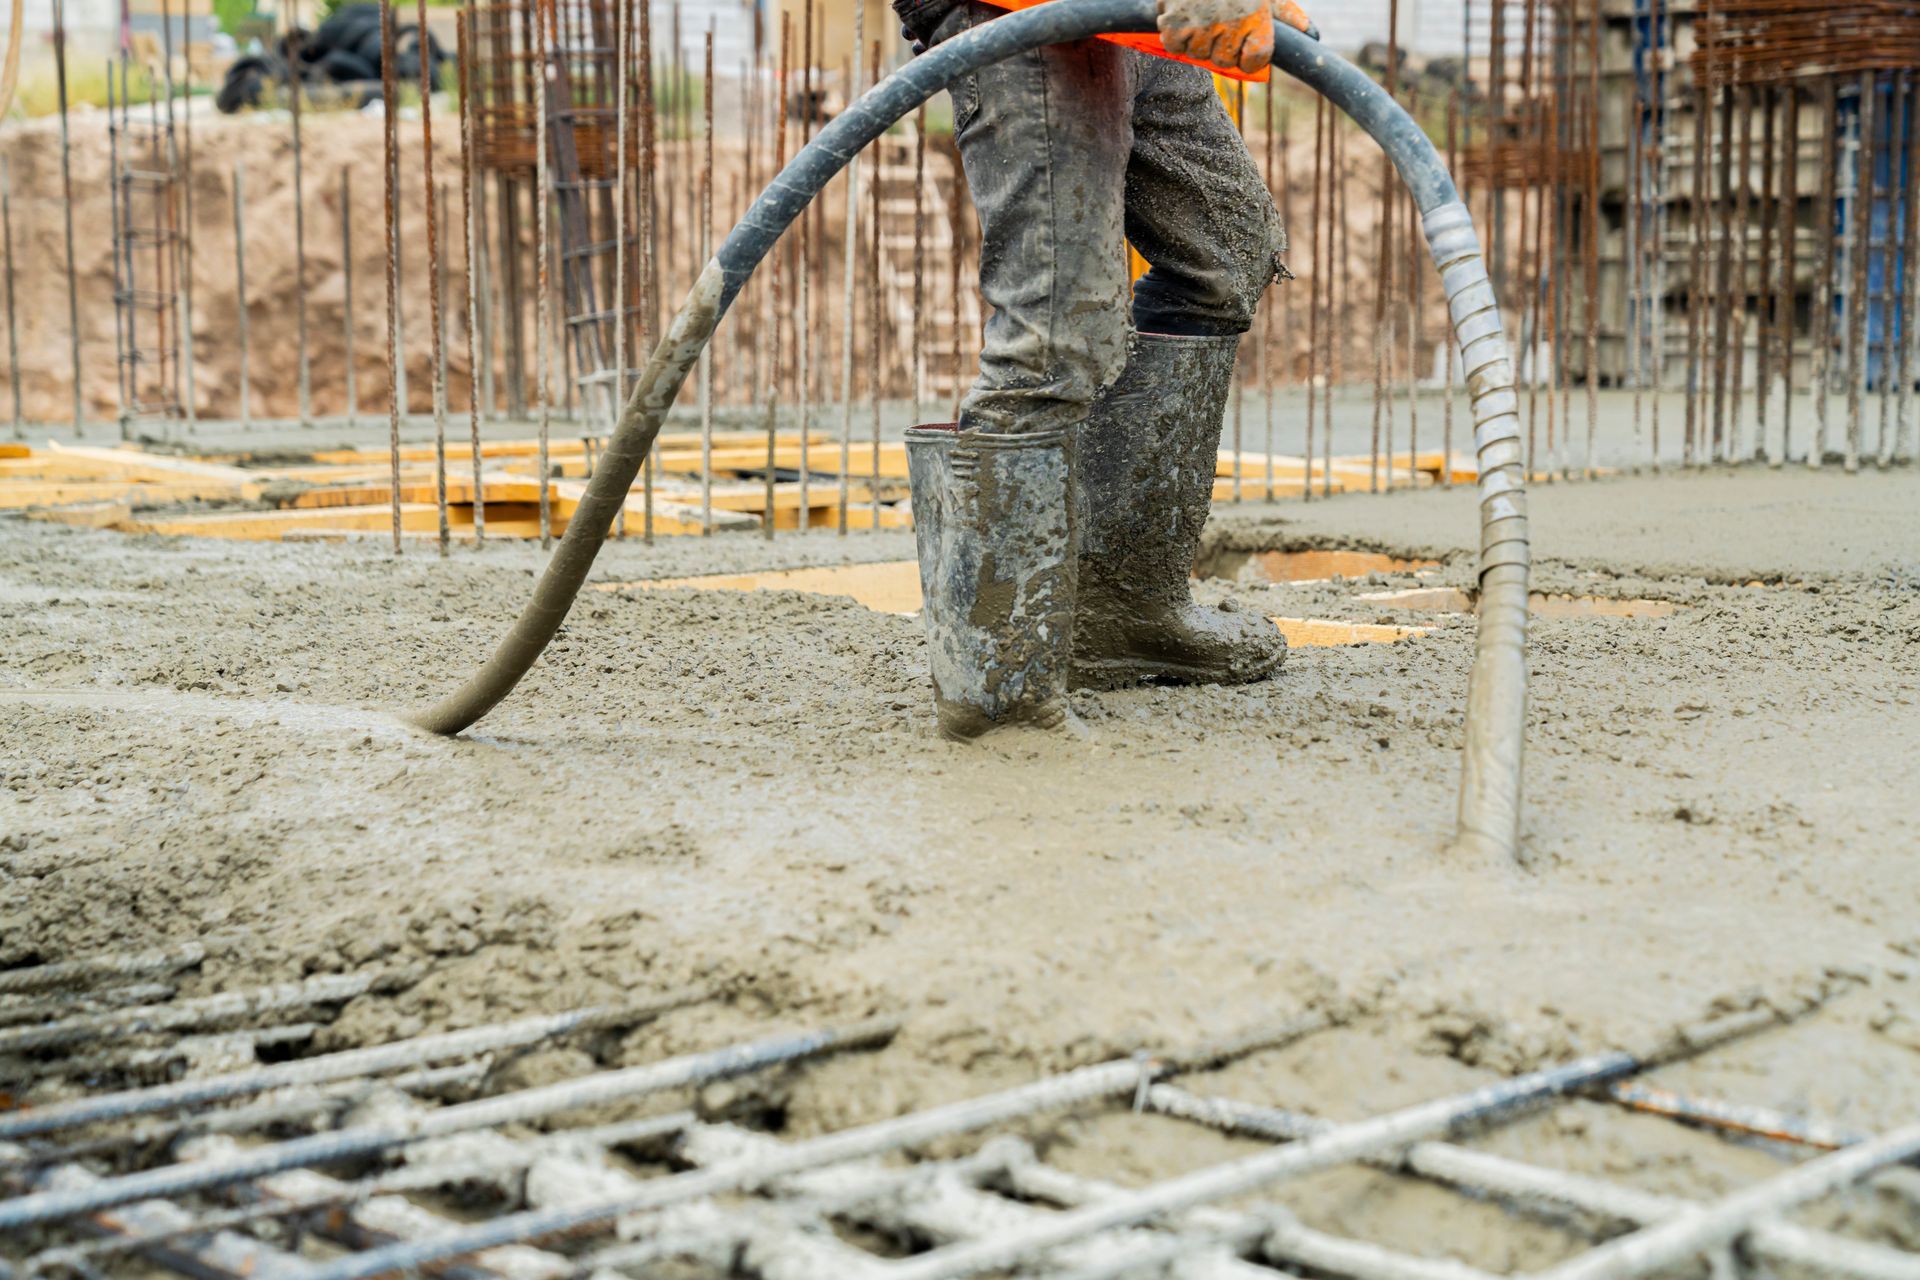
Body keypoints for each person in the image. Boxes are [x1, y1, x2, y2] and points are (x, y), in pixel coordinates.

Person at [893, 0, 1316, 739]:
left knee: (1222, 254)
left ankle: (1121, 610)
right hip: (1028, 9)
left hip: (1137, 21)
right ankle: (999, 692)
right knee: (1055, 328)